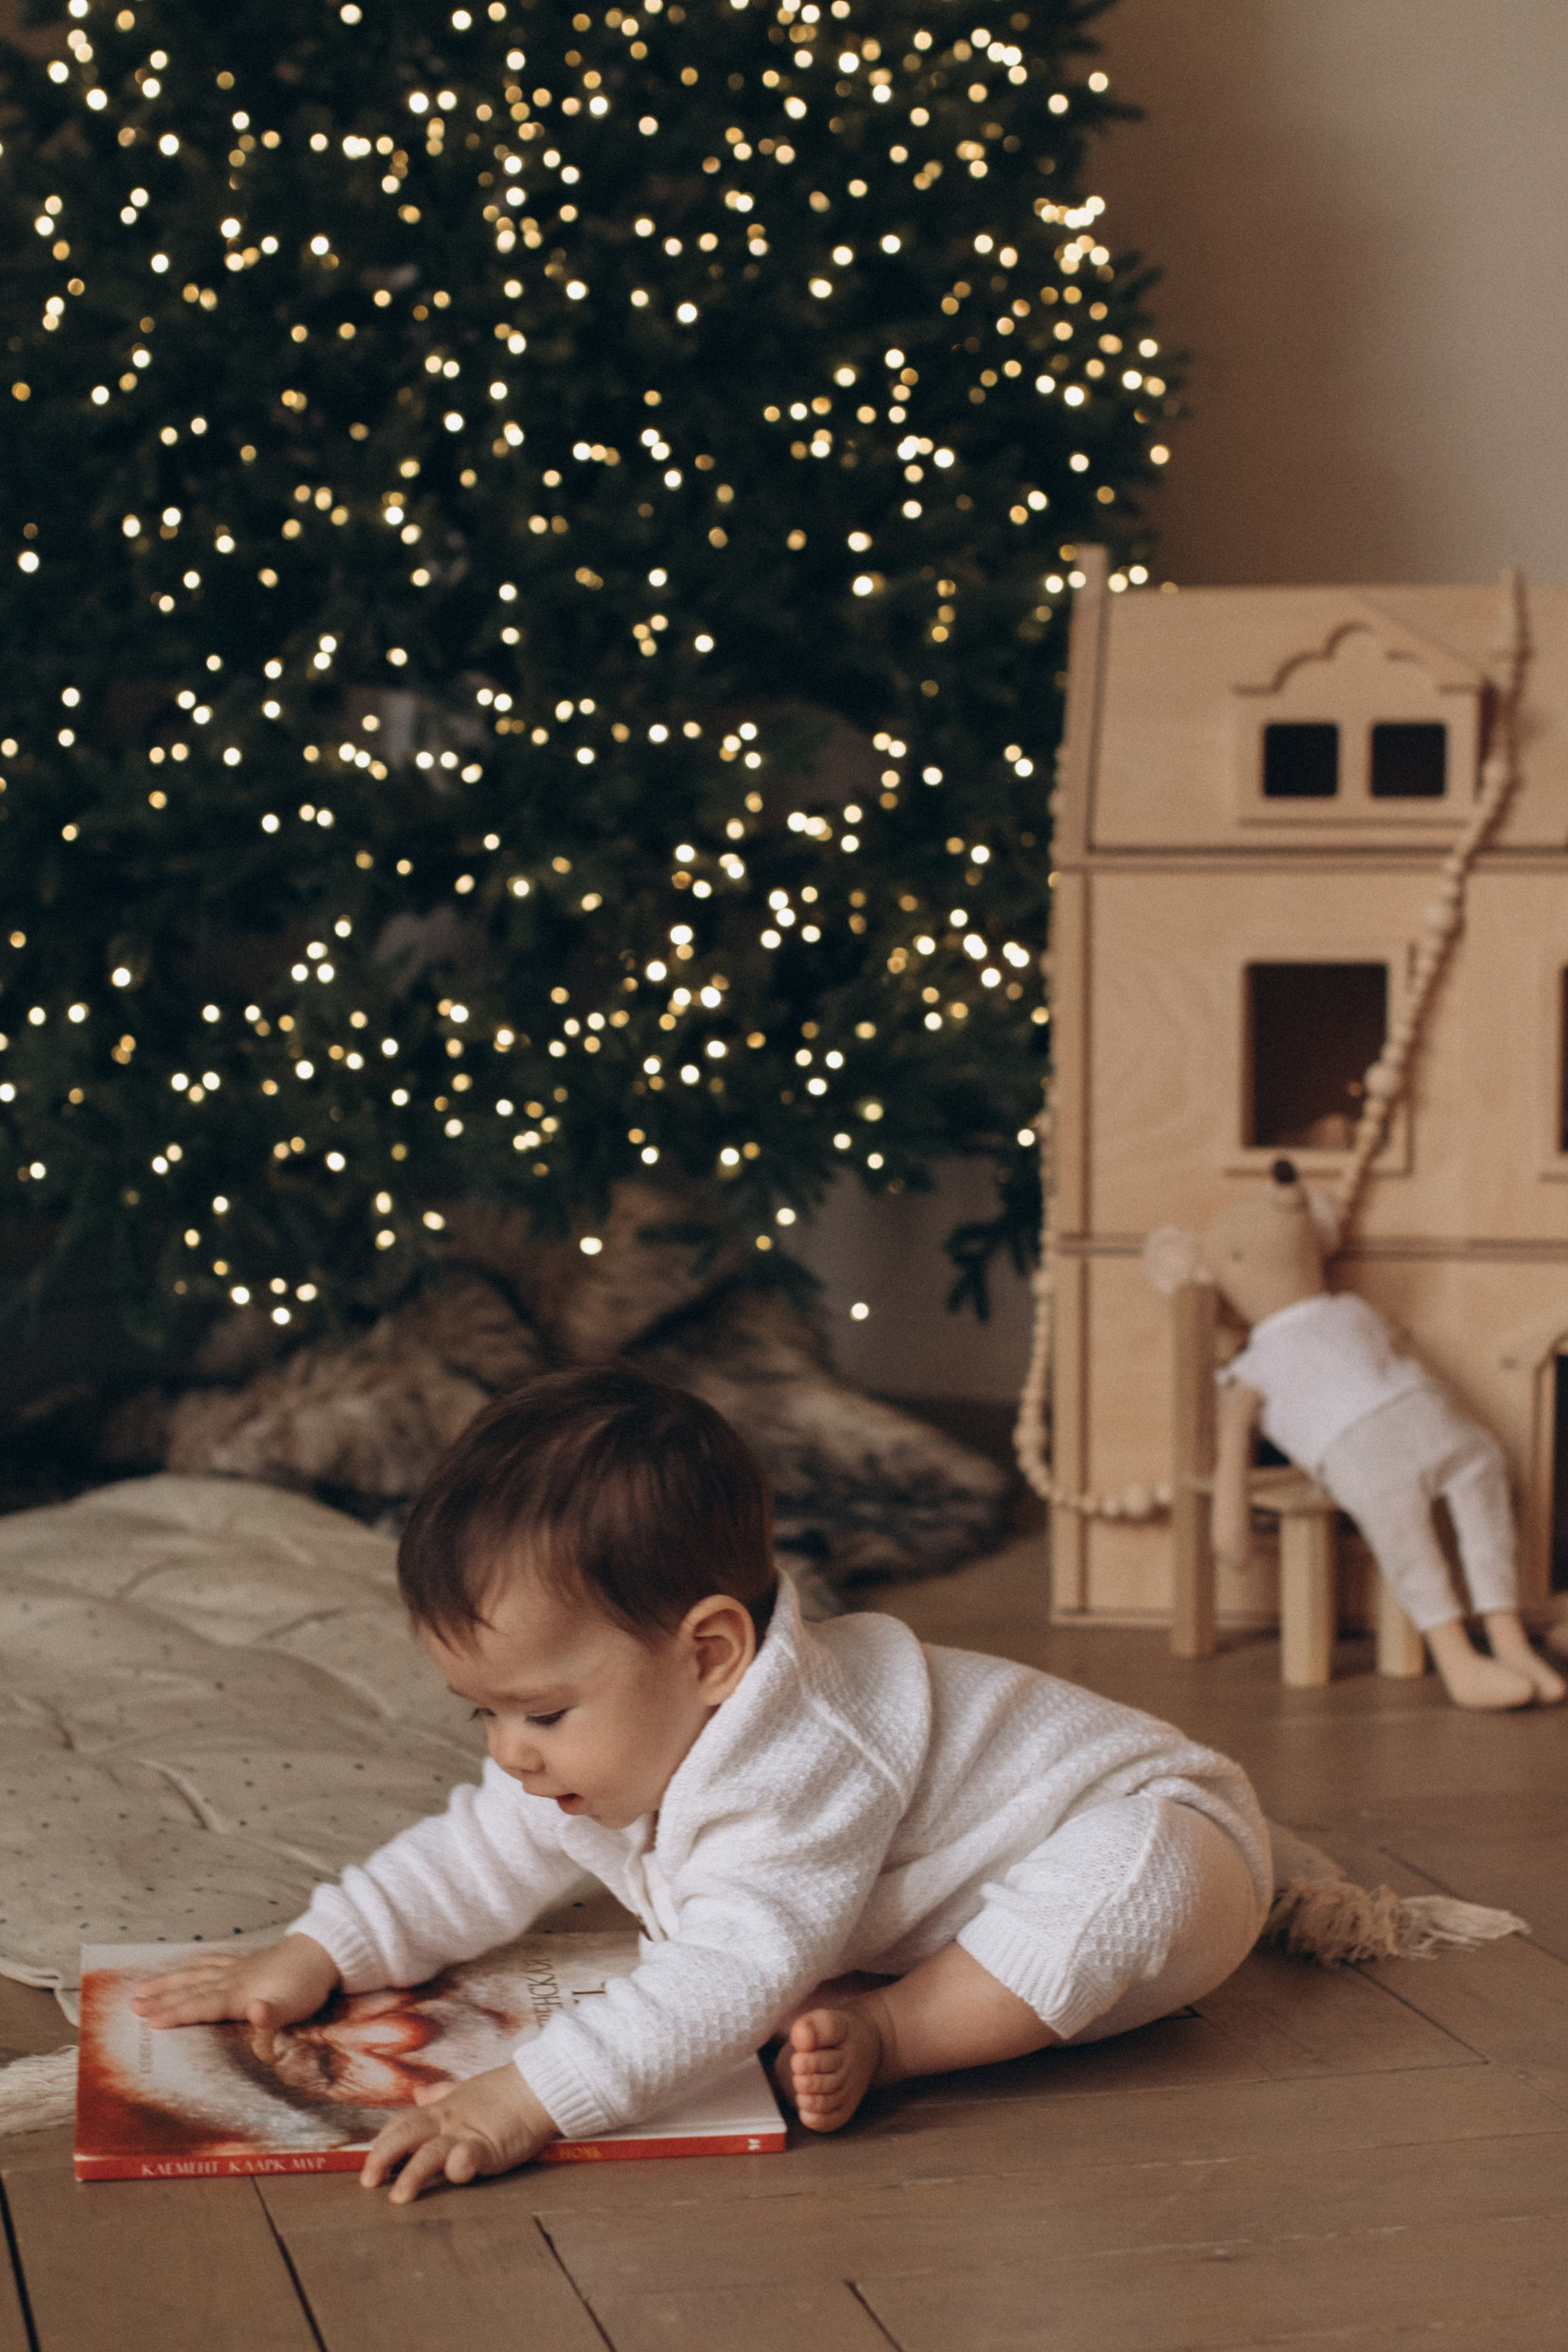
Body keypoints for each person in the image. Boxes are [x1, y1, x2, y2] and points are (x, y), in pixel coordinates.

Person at [133, 1366, 1272, 2203]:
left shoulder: (803, 1753)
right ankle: (905, 1996)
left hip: (1154, 1840)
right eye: (483, 1712)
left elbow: (733, 1972)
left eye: (542, 1713)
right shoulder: (609, 1738)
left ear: (713, 1653)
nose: (509, 1753)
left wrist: (525, 2098)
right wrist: (320, 1949)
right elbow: (474, 1851)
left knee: (1144, 1871)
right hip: (953, 1899)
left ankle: (896, 2030)